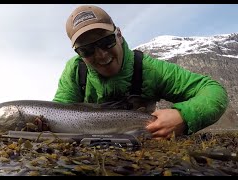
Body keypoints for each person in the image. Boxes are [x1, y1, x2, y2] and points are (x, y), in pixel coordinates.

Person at [53, 5, 229, 138]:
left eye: (106, 41)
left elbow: (214, 92)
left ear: (119, 35)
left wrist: (183, 116)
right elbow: (57, 113)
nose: (100, 55)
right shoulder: (75, 70)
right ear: (78, 53)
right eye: (87, 50)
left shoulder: (151, 70)